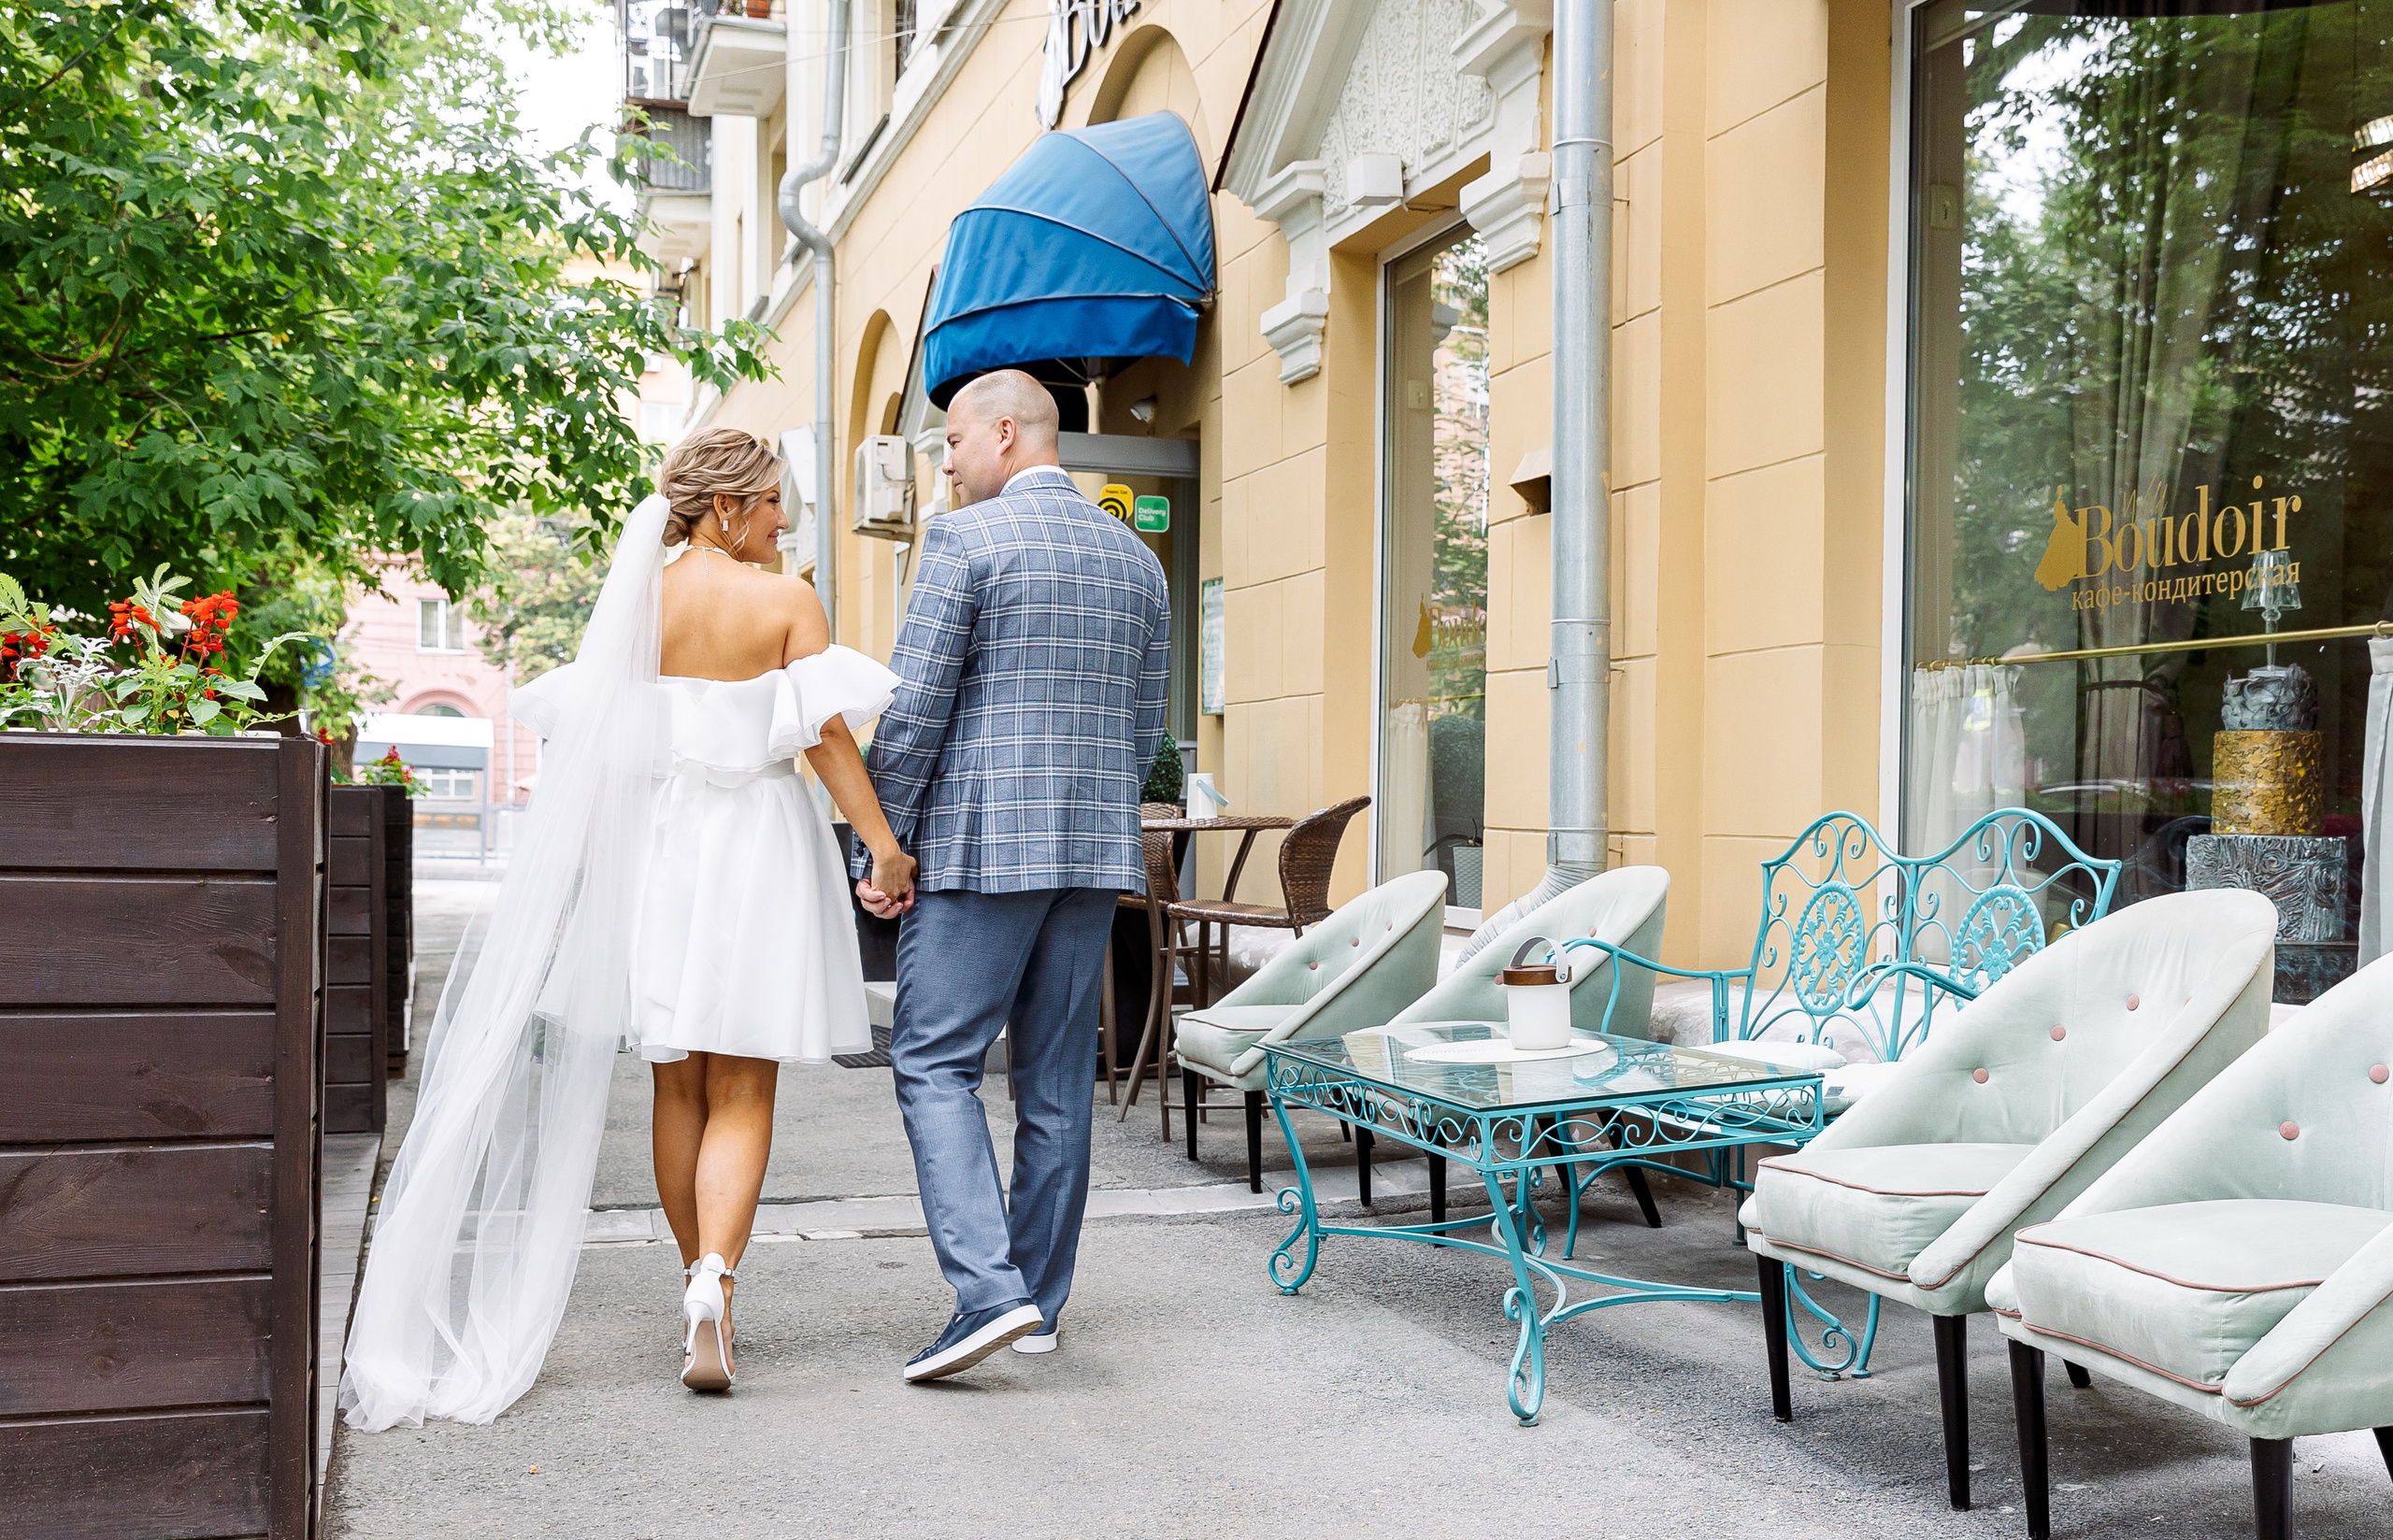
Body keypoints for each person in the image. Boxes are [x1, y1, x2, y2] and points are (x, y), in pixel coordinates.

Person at [340, 429, 911, 1427]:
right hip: (757, 850)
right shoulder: (785, 603)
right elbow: (825, 737)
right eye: (774, 502)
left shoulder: (634, 606)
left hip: (657, 849)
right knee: (744, 1080)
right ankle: (718, 1286)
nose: (784, 521)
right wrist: (883, 847)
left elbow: (596, 748)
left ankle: (695, 1279)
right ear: (727, 506)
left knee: (675, 1076)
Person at [854, 369, 1171, 1381]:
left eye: (950, 443)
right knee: (1053, 1082)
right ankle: (1032, 1304)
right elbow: (1142, 726)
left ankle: (987, 1293)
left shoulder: (966, 541)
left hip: (981, 846)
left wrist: (882, 842)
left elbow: (913, 712)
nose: (942, 464)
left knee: (934, 1061)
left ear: (1004, 432)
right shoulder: (1138, 560)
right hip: (1090, 850)